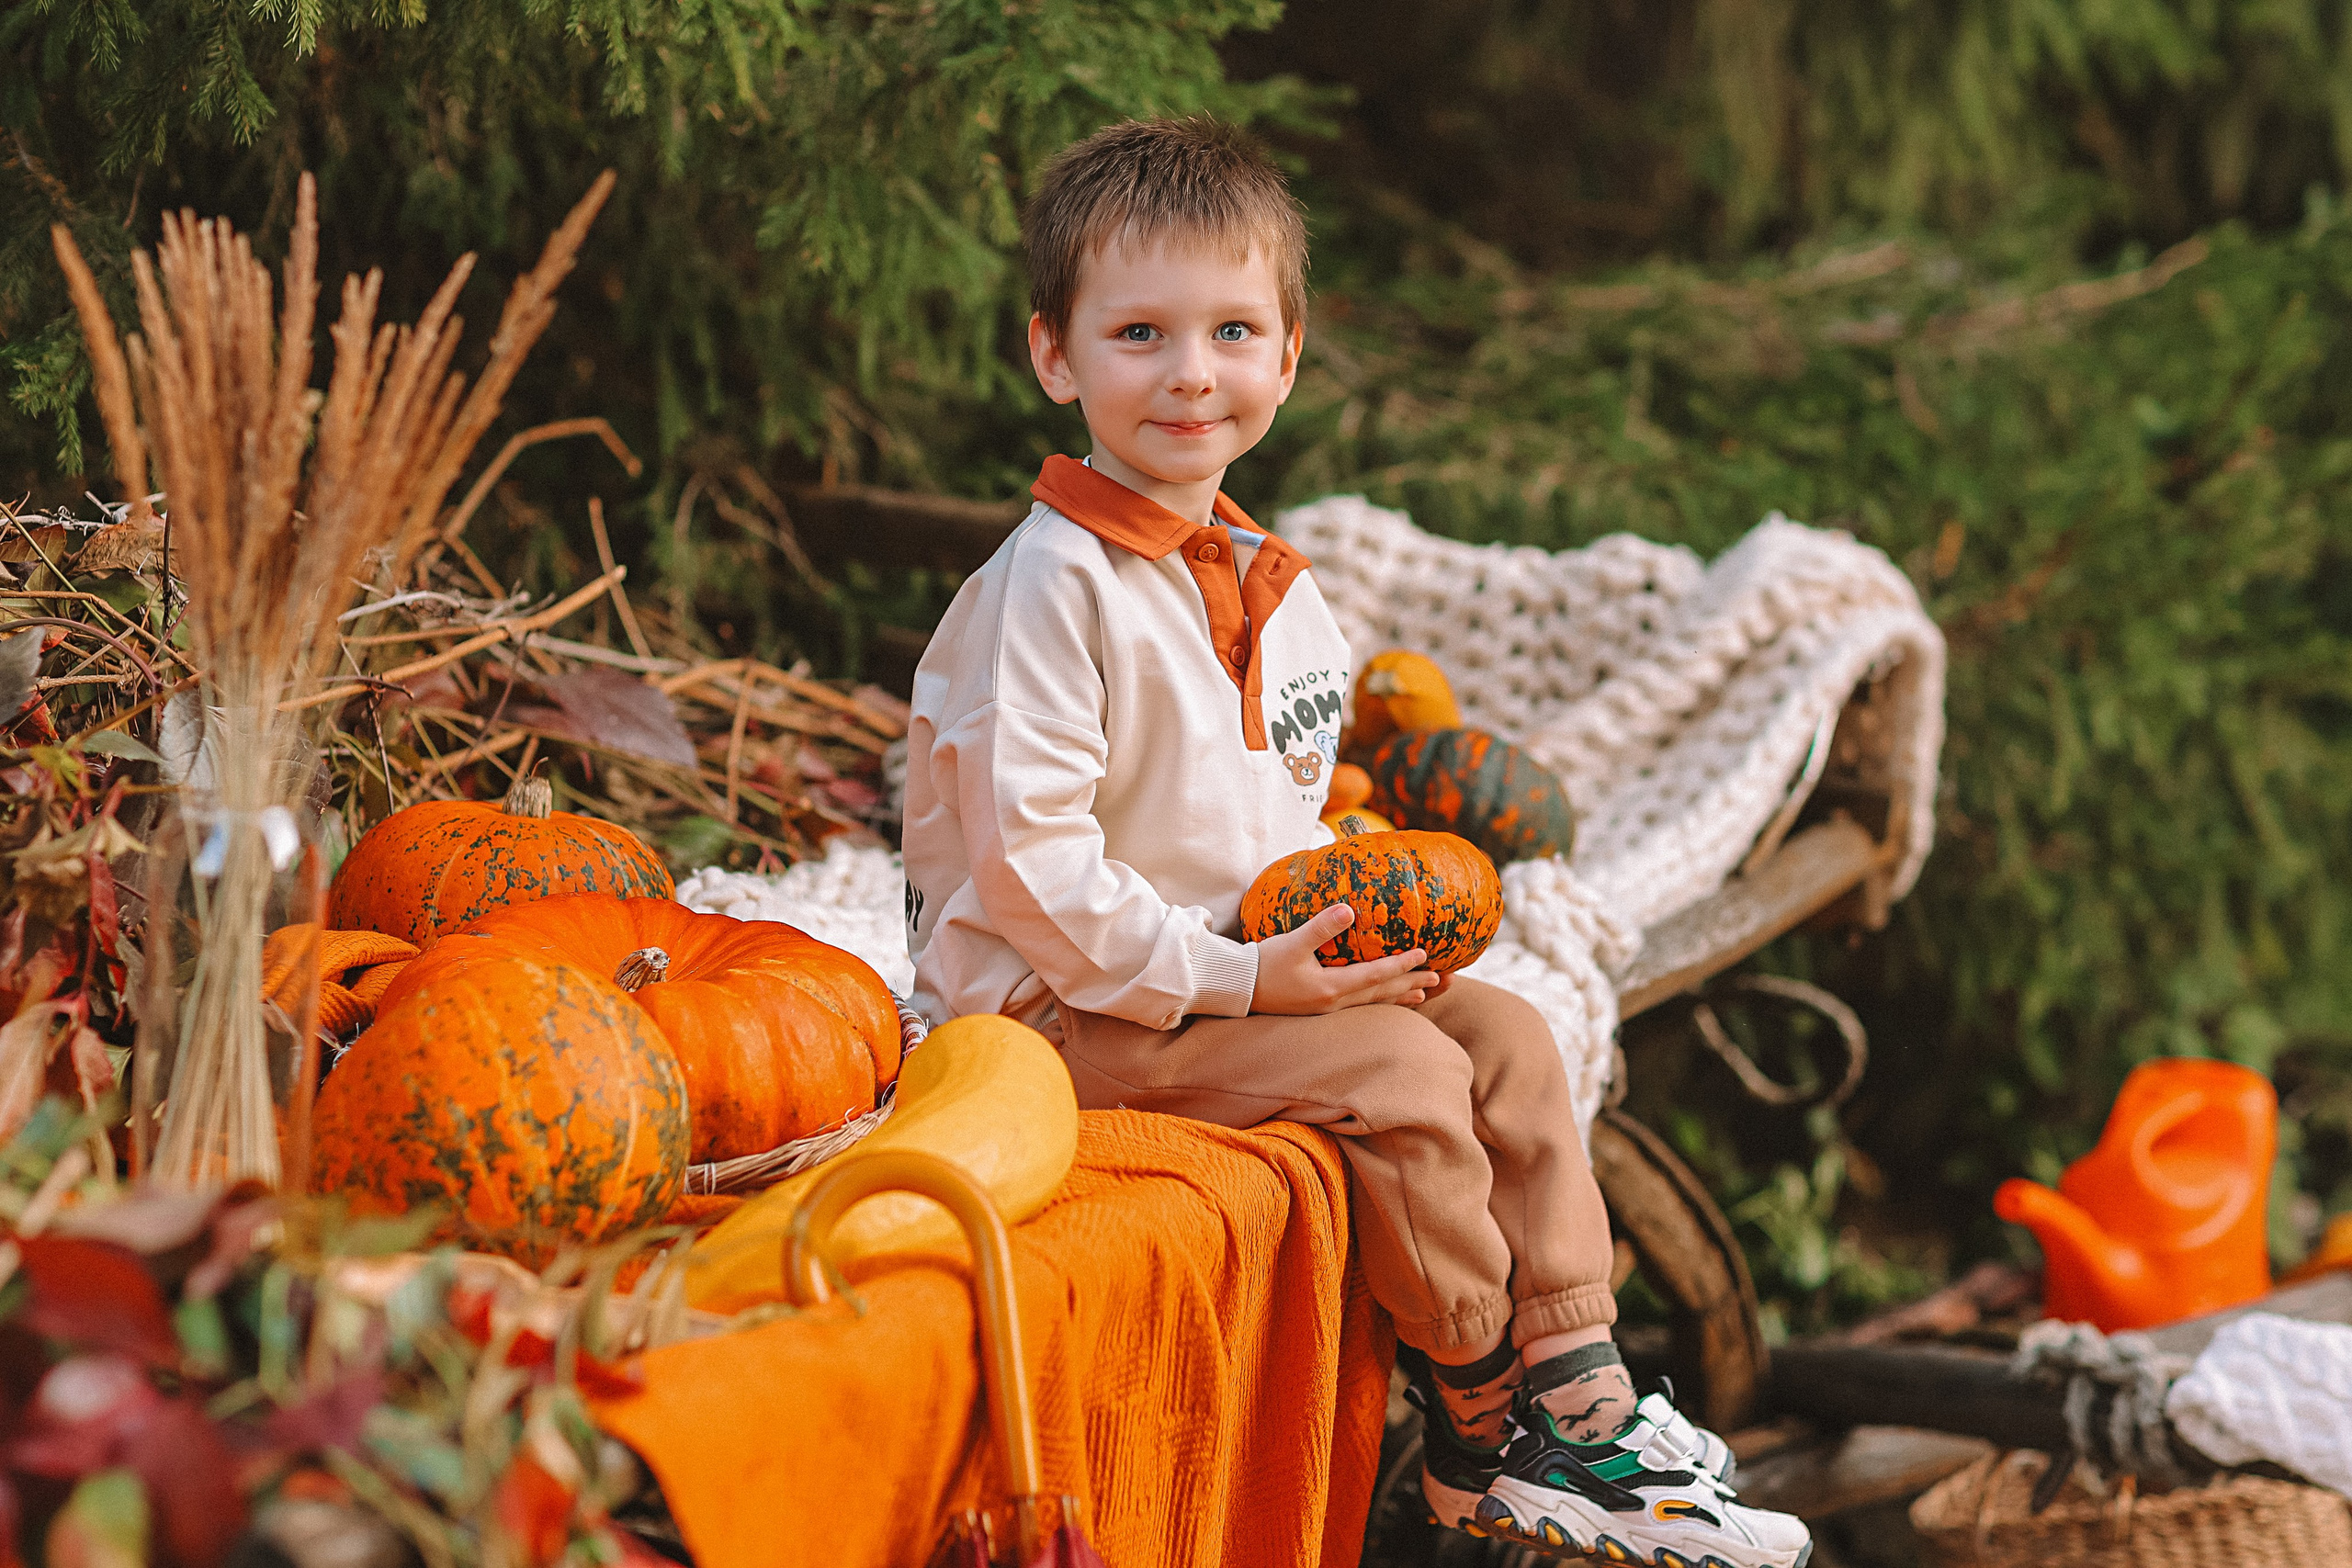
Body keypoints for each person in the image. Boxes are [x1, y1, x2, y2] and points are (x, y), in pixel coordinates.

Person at [901, 115, 1812, 1568]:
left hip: (1251, 972)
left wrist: (1336, 936)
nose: (1189, 372)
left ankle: (1579, 1386)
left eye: (1230, 330)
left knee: (1505, 1035)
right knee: (1397, 1072)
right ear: (1054, 357)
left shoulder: (1281, 588)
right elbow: (1036, 871)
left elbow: (1278, 816)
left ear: (1288, 354)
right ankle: (1478, 1409)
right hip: (1073, 1011)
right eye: (1138, 332)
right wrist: (1252, 982)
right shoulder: (1050, 593)